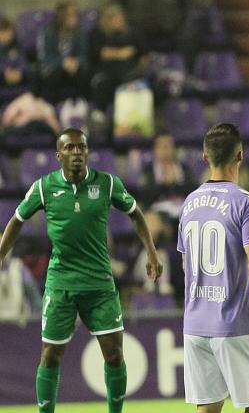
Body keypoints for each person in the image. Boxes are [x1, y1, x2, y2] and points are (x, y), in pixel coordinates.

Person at [0, 127, 163, 413]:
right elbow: (16, 220)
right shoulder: (44, 187)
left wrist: (151, 252)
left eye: (81, 148)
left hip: (99, 285)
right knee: (50, 356)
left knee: (114, 356)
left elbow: (136, 214)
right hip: (61, 284)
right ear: (58, 154)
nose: (77, 153)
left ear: (87, 152)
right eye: (70, 148)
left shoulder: (107, 184)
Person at [178, 123, 249, 413]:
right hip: (235, 322)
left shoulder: (189, 203)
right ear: (241, 156)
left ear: (204, 158)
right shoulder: (247, 203)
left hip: (195, 324)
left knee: (208, 406)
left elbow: (186, 263)